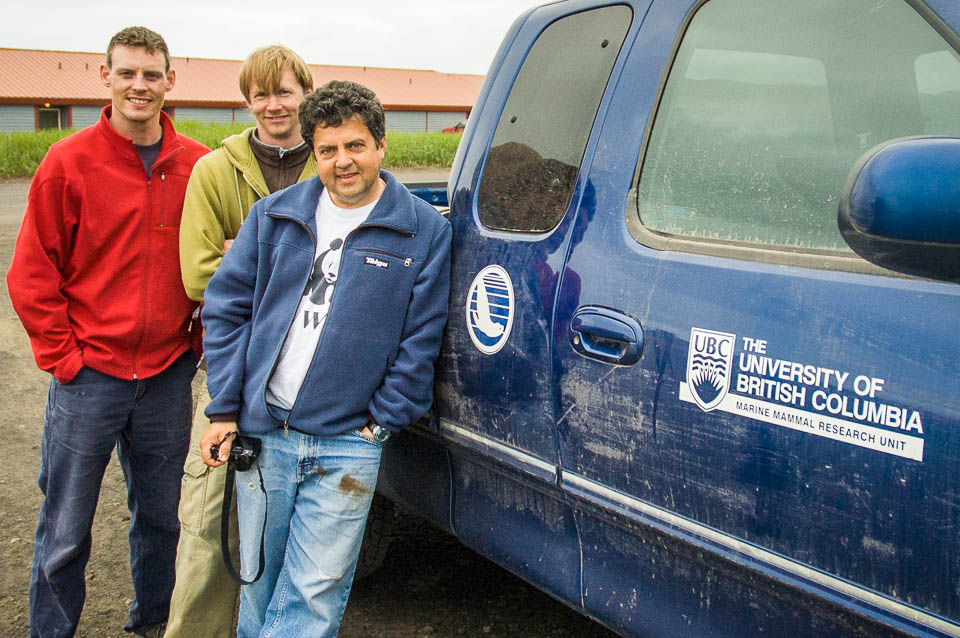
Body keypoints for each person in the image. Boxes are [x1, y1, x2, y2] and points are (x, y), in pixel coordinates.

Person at [198, 80, 451, 638]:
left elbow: (420, 341)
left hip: (347, 447)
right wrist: (224, 408)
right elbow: (223, 311)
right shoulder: (273, 217)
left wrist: (381, 423)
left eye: (356, 146)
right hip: (265, 438)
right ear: (314, 153)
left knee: (313, 595)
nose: (344, 162)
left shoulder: (424, 231)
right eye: (329, 150)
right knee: (259, 587)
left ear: (382, 145)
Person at [5, 26, 209, 638]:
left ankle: (152, 622)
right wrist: (64, 358)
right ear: (106, 78)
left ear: (170, 81)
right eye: (127, 73)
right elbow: (32, 273)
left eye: (152, 75)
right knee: (65, 527)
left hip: (166, 378)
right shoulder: (68, 162)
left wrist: (193, 345)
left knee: (162, 521)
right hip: (90, 377)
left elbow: (220, 263)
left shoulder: (196, 166)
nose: (139, 86)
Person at [165, 44, 317, 638]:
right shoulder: (214, 171)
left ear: (305, 91)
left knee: (296, 512)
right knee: (211, 515)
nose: (274, 105)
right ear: (246, 100)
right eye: (261, 94)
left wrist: (246, 254)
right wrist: (291, 265)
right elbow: (199, 273)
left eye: (285, 91)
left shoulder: (329, 161)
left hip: (308, 365)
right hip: (234, 361)